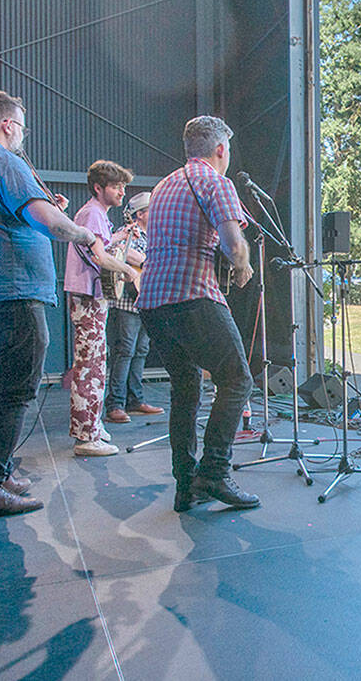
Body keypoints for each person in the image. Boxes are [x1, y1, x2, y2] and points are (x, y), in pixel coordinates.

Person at [0, 90, 112, 519]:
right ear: (9, 126)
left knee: (5, 386)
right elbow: (44, 219)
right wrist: (88, 236)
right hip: (8, 292)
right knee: (17, 390)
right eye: (21, 129)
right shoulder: (2, 159)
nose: (21, 138)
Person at [137, 115, 259, 513]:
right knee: (238, 380)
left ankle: (185, 484)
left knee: (185, 390)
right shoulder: (215, 182)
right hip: (191, 295)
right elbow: (231, 241)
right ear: (221, 149)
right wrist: (242, 266)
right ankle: (216, 471)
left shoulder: (163, 186)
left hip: (154, 302)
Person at [64, 160, 140, 456]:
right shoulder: (93, 213)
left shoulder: (97, 215)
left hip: (93, 296)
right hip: (87, 296)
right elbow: (100, 258)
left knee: (95, 362)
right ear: (99, 188)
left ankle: (92, 425)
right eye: (116, 186)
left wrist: (120, 238)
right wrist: (129, 271)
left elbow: (103, 246)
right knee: (89, 366)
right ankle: (86, 436)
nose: (122, 191)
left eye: (123, 185)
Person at [104, 191, 164, 424]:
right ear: (140, 214)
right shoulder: (129, 233)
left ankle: (135, 400)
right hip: (127, 303)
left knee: (141, 351)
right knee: (124, 351)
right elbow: (121, 251)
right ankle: (115, 404)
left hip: (147, 301)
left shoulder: (156, 236)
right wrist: (147, 261)